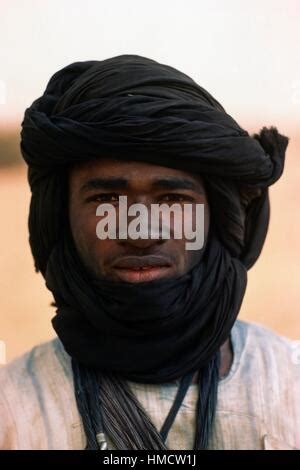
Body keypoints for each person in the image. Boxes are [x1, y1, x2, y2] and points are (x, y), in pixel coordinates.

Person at [0, 55, 299, 450]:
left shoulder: (290, 387)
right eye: (107, 198)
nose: (140, 232)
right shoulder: (13, 410)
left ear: (218, 219)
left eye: (172, 199)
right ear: (60, 219)